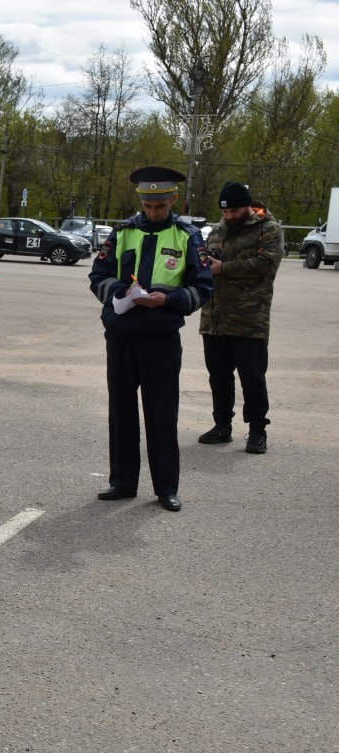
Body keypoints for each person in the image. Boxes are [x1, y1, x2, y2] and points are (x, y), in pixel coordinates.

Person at [89, 166, 213, 512]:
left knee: (161, 414)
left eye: (159, 205)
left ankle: (166, 488)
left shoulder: (187, 236)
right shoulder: (124, 232)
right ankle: (123, 482)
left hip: (160, 338)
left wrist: (168, 300)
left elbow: (202, 287)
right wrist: (119, 290)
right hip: (122, 336)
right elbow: (98, 275)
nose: (153, 211)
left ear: (173, 199)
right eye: (148, 205)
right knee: (121, 412)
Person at [197, 181, 285, 455]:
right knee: (219, 377)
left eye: (234, 211)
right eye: (225, 212)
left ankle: (258, 430)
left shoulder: (268, 229)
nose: (229, 216)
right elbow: (205, 263)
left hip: (250, 319)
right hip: (215, 318)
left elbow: (267, 264)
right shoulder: (216, 231)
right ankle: (222, 425)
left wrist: (224, 268)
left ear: (248, 206)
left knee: (253, 378)